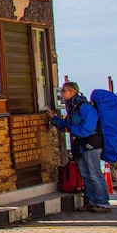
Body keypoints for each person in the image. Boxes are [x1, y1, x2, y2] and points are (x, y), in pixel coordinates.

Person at [48, 82, 109, 212]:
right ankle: (91, 201)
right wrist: (55, 118)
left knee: (94, 173)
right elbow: (68, 124)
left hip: (91, 143)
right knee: (85, 174)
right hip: (81, 144)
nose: (62, 93)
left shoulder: (84, 107)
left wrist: (71, 129)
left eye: (64, 91)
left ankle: (103, 203)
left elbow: (87, 127)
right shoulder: (73, 107)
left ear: (73, 92)